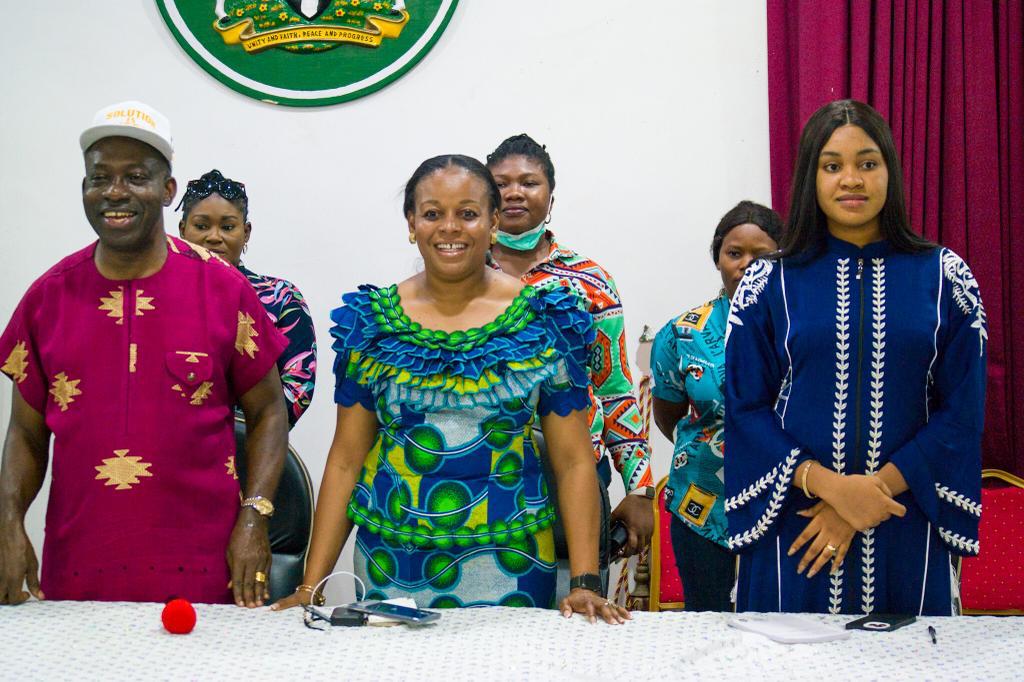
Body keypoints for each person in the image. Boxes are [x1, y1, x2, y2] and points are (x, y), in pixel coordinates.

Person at [273, 154, 629, 623]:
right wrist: (309, 586)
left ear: (493, 221)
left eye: (467, 213)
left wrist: (584, 582)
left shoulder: (544, 320)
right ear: (411, 223)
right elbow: (345, 459)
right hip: (390, 565)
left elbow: (573, 459)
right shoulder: (374, 324)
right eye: (432, 213)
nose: (450, 228)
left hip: (512, 562)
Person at [0, 102, 289, 607]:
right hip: (77, 569)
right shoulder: (47, 298)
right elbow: (26, 432)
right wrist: (7, 521)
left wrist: (255, 515)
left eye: (136, 177)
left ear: (167, 190)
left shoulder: (222, 289)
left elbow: (269, 411)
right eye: (99, 178)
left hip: (206, 569)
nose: (115, 192)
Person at [725, 100, 986, 615]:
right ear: (810, 178)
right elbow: (744, 408)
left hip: (904, 515)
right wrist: (830, 489)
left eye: (868, 163)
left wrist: (866, 498)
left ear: (890, 170)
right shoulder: (768, 282)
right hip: (797, 525)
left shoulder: (945, 277)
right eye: (832, 166)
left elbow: (963, 412)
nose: (852, 179)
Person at [486, 134, 655, 563]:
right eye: (501, 183)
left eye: (529, 182)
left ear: (551, 198)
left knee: (572, 601)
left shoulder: (590, 282)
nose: (514, 193)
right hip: (481, 472)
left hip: (577, 469)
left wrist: (640, 488)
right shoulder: (455, 278)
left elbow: (614, 386)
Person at [651, 201, 781, 611]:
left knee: (783, 623)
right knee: (704, 620)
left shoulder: (805, 329)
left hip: (787, 498)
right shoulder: (682, 333)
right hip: (702, 501)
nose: (745, 265)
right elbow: (668, 414)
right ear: (718, 258)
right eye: (734, 253)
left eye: (761, 256)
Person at [178, 169, 316, 428]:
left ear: (246, 232)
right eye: (202, 226)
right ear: (183, 230)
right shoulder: (160, 297)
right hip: (175, 446)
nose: (214, 237)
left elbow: (299, 385)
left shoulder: (281, 298)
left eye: (228, 227)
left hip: (253, 447)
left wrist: (248, 430)